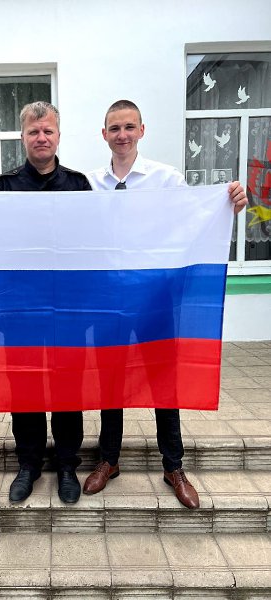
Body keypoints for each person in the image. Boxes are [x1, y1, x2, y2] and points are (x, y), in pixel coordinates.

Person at [84, 99, 248, 509]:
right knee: (111, 382)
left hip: (156, 300)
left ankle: (173, 466)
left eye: (129, 127)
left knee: (163, 382)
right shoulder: (88, 184)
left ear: (142, 130)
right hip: (108, 300)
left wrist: (229, 202)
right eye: (114, 128)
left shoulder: (167, 179)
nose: (122, 135)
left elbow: (195, 219)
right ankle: (109, 459)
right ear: (104, 134)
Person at [0, 101, 92, 504]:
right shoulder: (4, 187)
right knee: (25, 390)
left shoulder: (79, 186)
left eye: (48, 130)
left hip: (68, 310)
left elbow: (92, 249)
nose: (41, 137)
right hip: (20, 312)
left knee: (68, 388)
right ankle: (29, 464)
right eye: (33, 132)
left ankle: (67, 464)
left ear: (58, 135)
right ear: (23, 137)